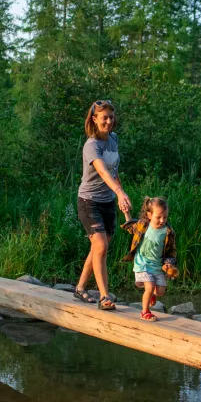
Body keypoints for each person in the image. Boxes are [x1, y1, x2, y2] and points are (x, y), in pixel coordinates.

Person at [73, 100, 132, 310]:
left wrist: (120, 196)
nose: (109, 121)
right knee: (101, 246)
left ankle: (80, 288)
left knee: (99, 247)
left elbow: (114, 171)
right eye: (104, 117)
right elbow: (103, 171)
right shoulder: (92, 145)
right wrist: (119, 191)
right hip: (89, 202)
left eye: (111, 117)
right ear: (94, 119)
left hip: (108, 201)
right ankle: (104, 297)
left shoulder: (113, 139)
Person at [121, 197, 178, 322]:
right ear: (149, 214)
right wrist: (126, 212)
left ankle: (151, 295)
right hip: (143, 264)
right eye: (159, 217)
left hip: (157, 266)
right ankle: (145, 312)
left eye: (165, 217)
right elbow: (130, 227)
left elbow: (171, 251)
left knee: (161, 291)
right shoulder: (143, 225)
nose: (162, 220)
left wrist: (169, 263)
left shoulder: (168, 232)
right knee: (150, 286)